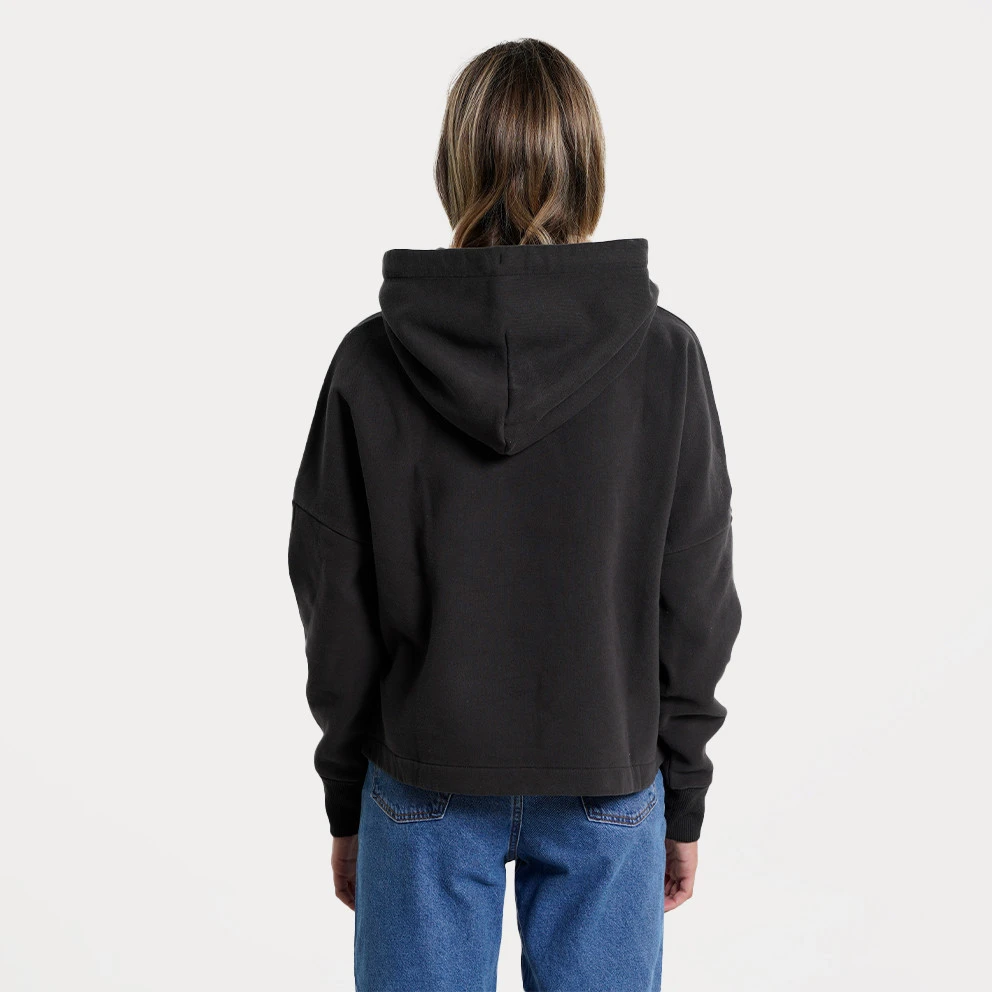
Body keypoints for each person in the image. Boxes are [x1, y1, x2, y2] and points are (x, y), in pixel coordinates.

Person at [288, 37, 742, 992]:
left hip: (420, 782)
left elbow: (335, 603)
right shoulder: (664, 357)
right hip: (608, 781)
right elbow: (697, 598)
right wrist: (684, 789)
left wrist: (346, 796)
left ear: (455, 164)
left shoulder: (372, 361)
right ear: (588, 165)